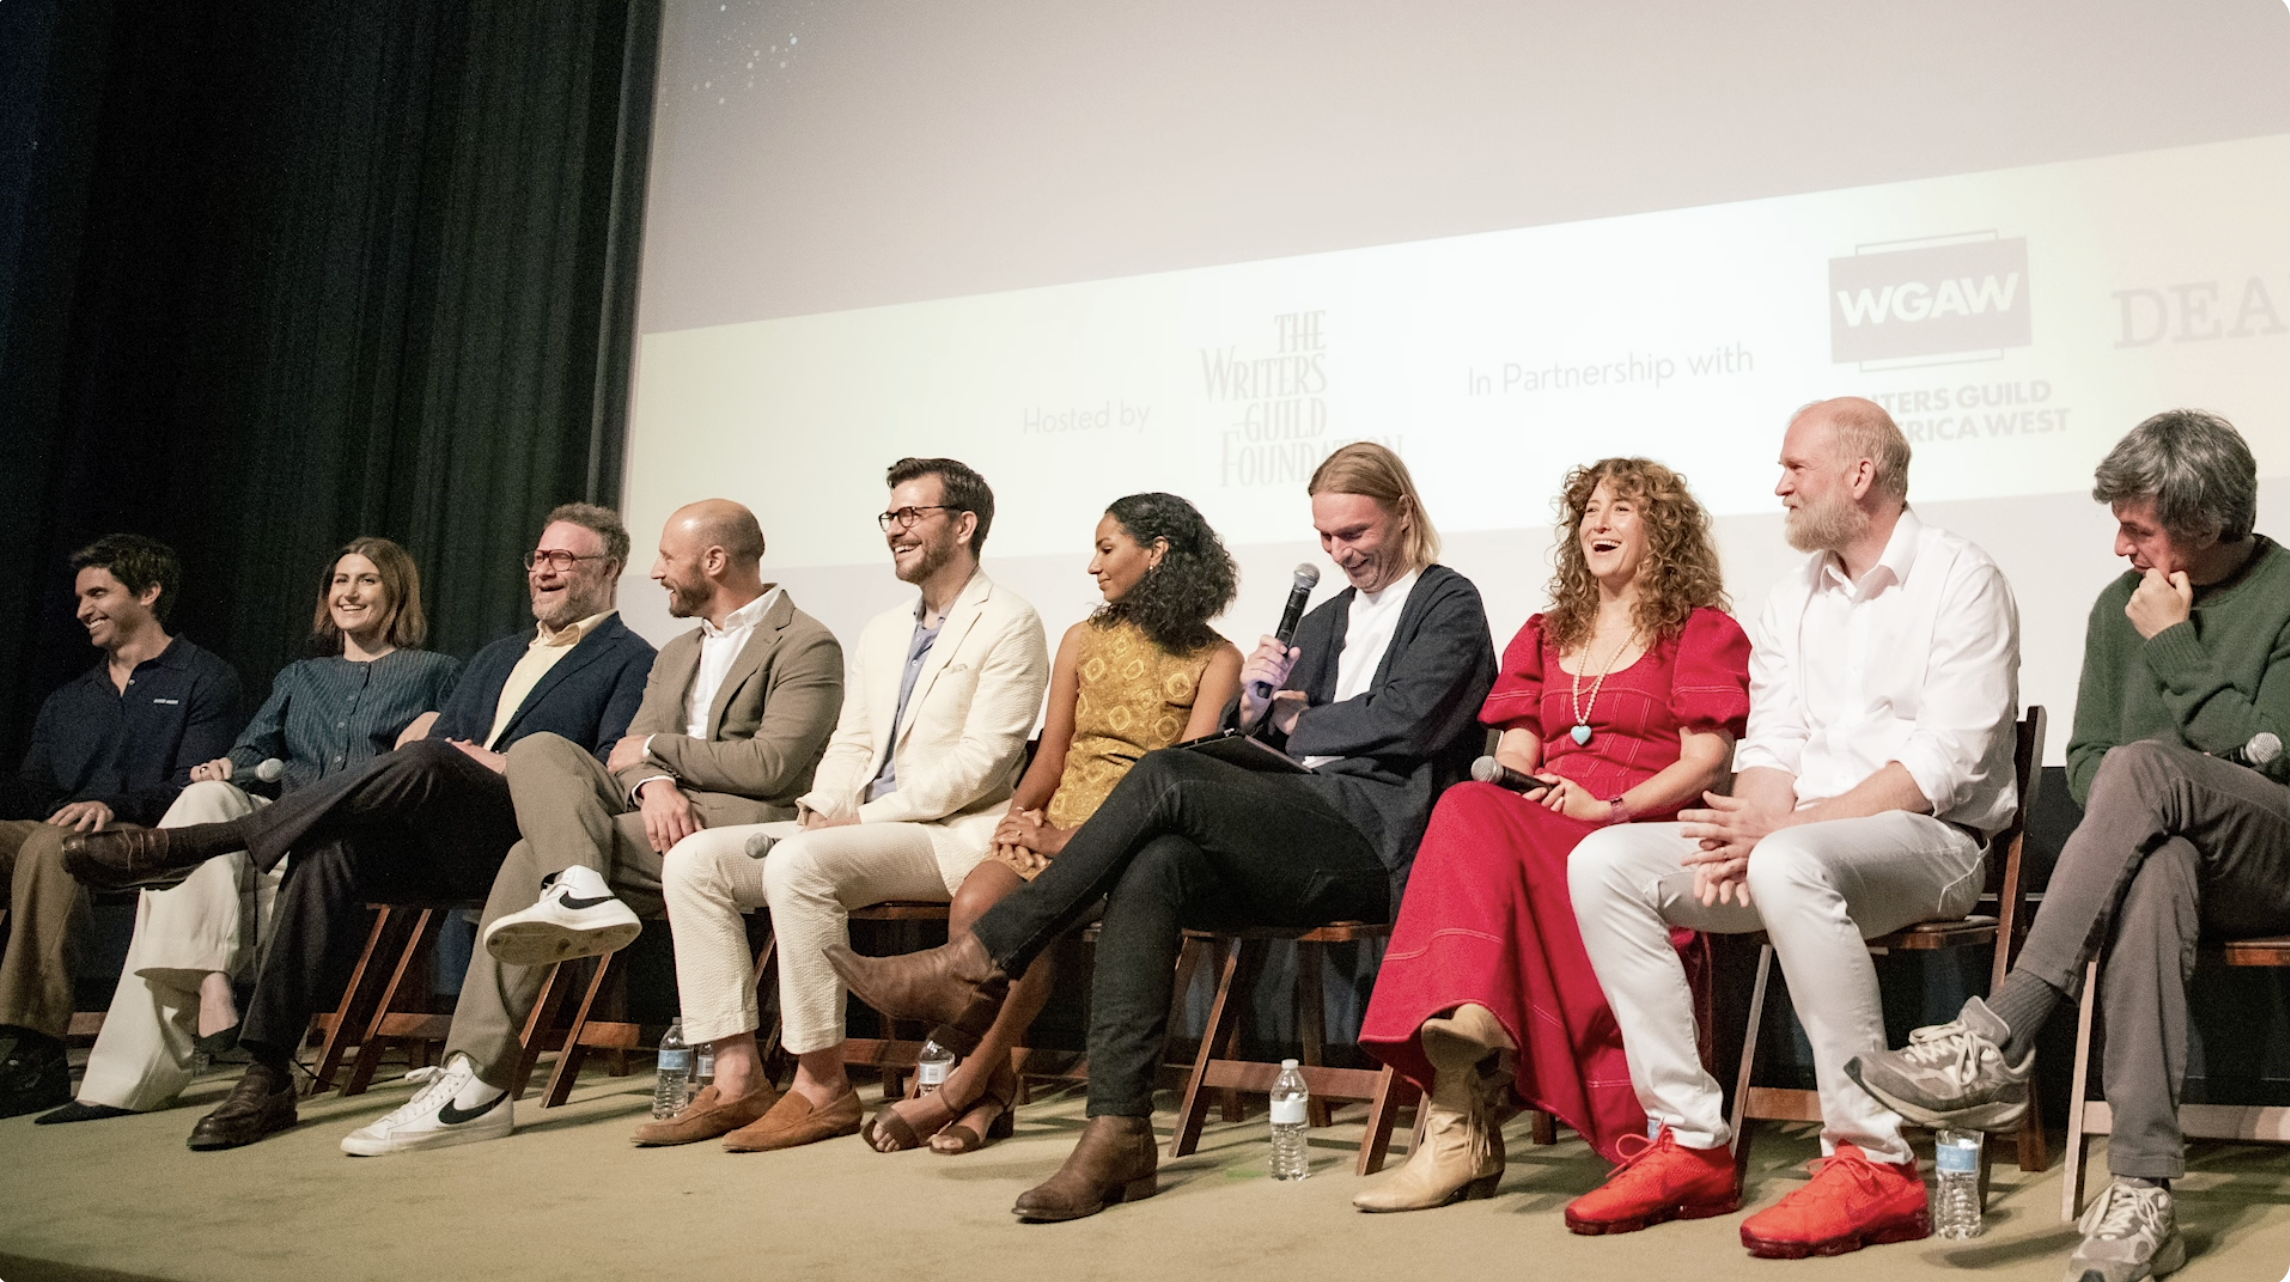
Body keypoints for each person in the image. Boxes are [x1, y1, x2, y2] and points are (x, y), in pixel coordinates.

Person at [830, 442, 1498, 1221]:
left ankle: (981, 956)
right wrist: (1256, 714)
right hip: (1294, 825)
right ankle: (1117, 1131)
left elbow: (1411, 721)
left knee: (1165, 772)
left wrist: (1300, 718)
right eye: (1325, 538)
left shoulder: (1448, 602)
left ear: (1404, 515)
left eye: (1356, 533)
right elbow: (1278, 742)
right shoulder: (1323, 620)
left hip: (1373, 840)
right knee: (1157, 864)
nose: (1341, 553)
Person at [1559, 397, 2019, 1258]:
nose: (1779, 486)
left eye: (1794, 468)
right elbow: (1771, 745)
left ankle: (1872, 1160)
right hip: (1799, 847)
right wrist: (1759, 820)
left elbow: (1940, 767)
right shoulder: (1792, 596)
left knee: (1790, 862)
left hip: (1933, 844)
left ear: (1860, 475)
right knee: (1605, 861)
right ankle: (1690, 1139)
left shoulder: (1960, 578)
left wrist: (1784, 831)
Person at [1846, 410, 2289, 1282]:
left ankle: (1998, 1036)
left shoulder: (2282, 595)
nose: (2120, 546)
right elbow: (2087, 762)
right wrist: (2140, 802)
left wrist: (2173, 647)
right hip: (2178, 861)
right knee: (2154, 858)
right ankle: (2145, 1189)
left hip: (2274, 849)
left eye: (2139, 527)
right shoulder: (2111, 607)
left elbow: (2270, 750)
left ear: (2204, 524)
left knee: (2148, 768)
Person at [62, 509, 654, 1151]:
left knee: (426, 756)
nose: (544, 569)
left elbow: (604, 772)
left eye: (564, 559)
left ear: (610, 569)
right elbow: (447, 741)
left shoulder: (633, 659)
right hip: (446, 838)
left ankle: (197, 846)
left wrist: (496, 761)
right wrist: (450, 754)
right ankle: (265, 1073)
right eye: (538, 557)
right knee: (328, 848)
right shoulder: (497, 656)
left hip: (528, 843)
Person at [311, 499, 842, 1155]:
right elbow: (625, 759)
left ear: (715, 561)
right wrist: (654, 785)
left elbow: (771, 765)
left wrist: (659, 757)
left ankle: (476, 1082)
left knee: (525, 857)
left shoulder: (806, 642)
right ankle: (572, 894)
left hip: (751, 822)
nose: (655, 573)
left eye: (667, 559)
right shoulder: (678, 651)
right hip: (661, 818)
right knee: (539, 750)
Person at [1352, 457, 1749, 1212]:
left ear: (1660, 530)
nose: (1598, 522)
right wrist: (1526, 787)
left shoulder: (1699, 632)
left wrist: (1611, 810)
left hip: (1637, 841)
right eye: (1589, 510)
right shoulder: (1544, 633)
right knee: (1472, 801)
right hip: (1546, 828)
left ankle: (1465, 1086)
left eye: (1621, 509)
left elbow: (1707, 759)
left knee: (1469, 815)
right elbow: (1515, 754)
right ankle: (1464, 1046)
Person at [633, 458, 1049, 1154]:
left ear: (965, 524)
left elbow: (982, 763)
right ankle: (737, 1078)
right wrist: (821, 808)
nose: (896, 530)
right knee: (695, 861)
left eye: (912, 515)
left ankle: (820, 1085)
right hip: (852, 829)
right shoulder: (885, 629)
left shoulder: (1010, 620)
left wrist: (858, 822)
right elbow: (851, 744)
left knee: (801, 865)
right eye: (891, 517)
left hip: (946, 834)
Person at [862, 491, 1242, 1155]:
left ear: (1157, 555)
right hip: (1053, 823)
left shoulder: (1218, 659)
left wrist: (1066, 841)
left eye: (1106, 548)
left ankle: (967, 1088)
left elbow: (1189, 784)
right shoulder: (1082, 638)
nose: (1093, 567)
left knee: (1032, 925)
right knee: (980, 898)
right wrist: (1019, 816)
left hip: (1140, 839)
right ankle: (986, 1094)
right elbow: (1053, 754)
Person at [0, 535, 242, 1117]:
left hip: (152, 836)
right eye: (80, 597)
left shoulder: (203, 679)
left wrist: (113, 804)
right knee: (42, 837)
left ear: (150, 593)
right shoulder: (68, 699)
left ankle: (33, 1050)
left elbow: (196, 785)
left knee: (52, 844)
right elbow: (31, 791)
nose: (83, 609)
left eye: (98, 593)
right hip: (58, 830)